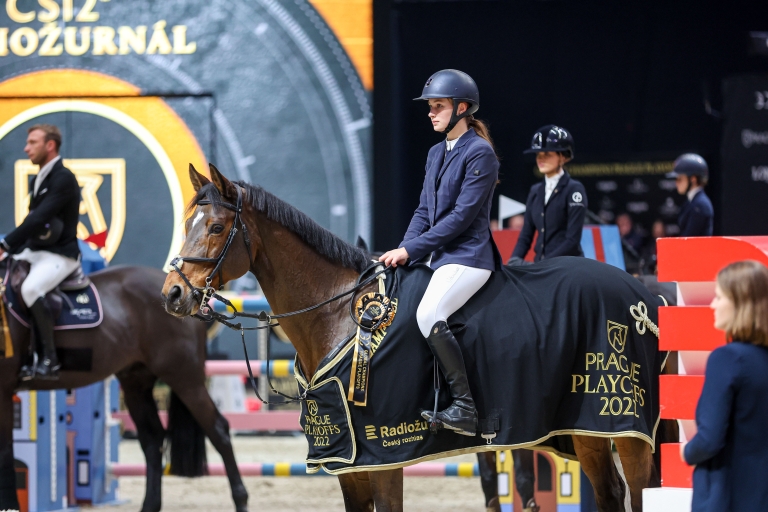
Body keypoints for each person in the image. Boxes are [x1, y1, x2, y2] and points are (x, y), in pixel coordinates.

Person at [379, 69, 501, 436]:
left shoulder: (480, 153)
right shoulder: (435, 153)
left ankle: (464, 406)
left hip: (468, 257)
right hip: (438, 257)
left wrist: (412, 250)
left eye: (438, 107)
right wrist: (401, 250)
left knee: (430, 311)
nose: (431, 113)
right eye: (430, 107)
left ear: (462, 108)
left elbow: (461, 218)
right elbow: (423, 211)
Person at [682, 260, 768, 511]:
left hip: (726, 495)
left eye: (719, 297)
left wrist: (687, 452)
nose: (712, 305)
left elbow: (709, 439)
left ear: (740, 303)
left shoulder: (727, 359)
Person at [0, 124, 81, 381]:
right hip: (36, 252)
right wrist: (9, 254)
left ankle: (49, 360)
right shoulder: (38, 180)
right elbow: (34, 228)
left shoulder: (63, 178)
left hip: (61, 256)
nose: (26, 148)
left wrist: (4, 245)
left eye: (32, 142)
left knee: (30, 289)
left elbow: (38, 220)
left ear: (50, 145)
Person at [509, 125, 587, 264]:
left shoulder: (574, 189)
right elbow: (526, 235)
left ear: (563, 157)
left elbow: (572, 241)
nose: (541, 159)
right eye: (538, 155)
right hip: (542, 266)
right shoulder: (535, 191)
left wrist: (543, 265)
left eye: (547, 154)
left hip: (567, 265)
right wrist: (513, 260)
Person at [667, 153, 713, 236]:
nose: (676, 183)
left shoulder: (699, 205)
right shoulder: (692, 202)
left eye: (679, 179)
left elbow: (688, 240)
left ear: (693, 179)